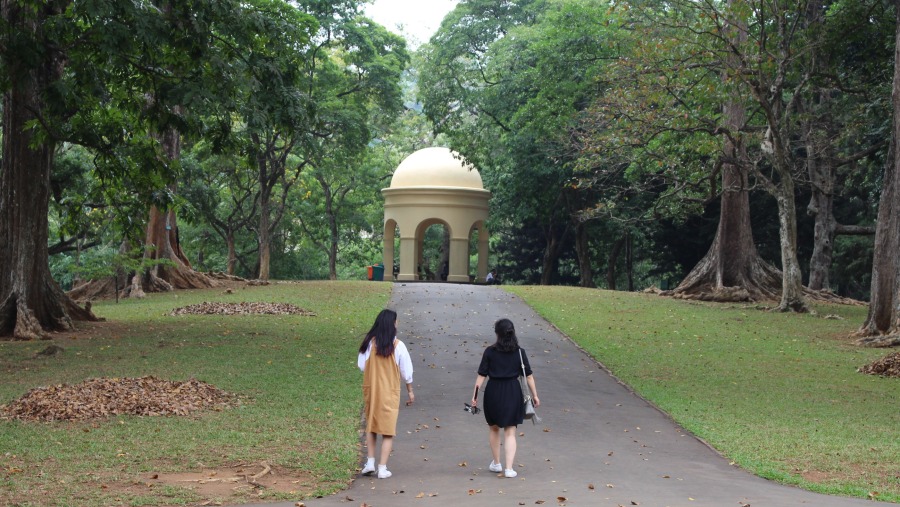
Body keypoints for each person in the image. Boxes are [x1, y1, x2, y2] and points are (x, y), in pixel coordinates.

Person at [470, 318, 539, 478]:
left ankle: (496, 463)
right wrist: (535, 395)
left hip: (493, 391)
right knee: (510, 431)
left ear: (497, 333)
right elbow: (528, 376)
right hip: (512, 392)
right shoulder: (520, 353)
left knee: (494, 428)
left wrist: (474, 397)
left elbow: (481, 376)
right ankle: (509, 468)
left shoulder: (490, 352)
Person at [357, 309, 415, 479]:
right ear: (393, 324)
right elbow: (407, 372)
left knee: (371, 426)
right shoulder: (398, 346)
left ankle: (370, 463)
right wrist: (410, 391)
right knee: (388, 431)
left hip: (372, 390)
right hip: (390, 392)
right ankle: (382, 468)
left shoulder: (368, 343)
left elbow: (361, 366)